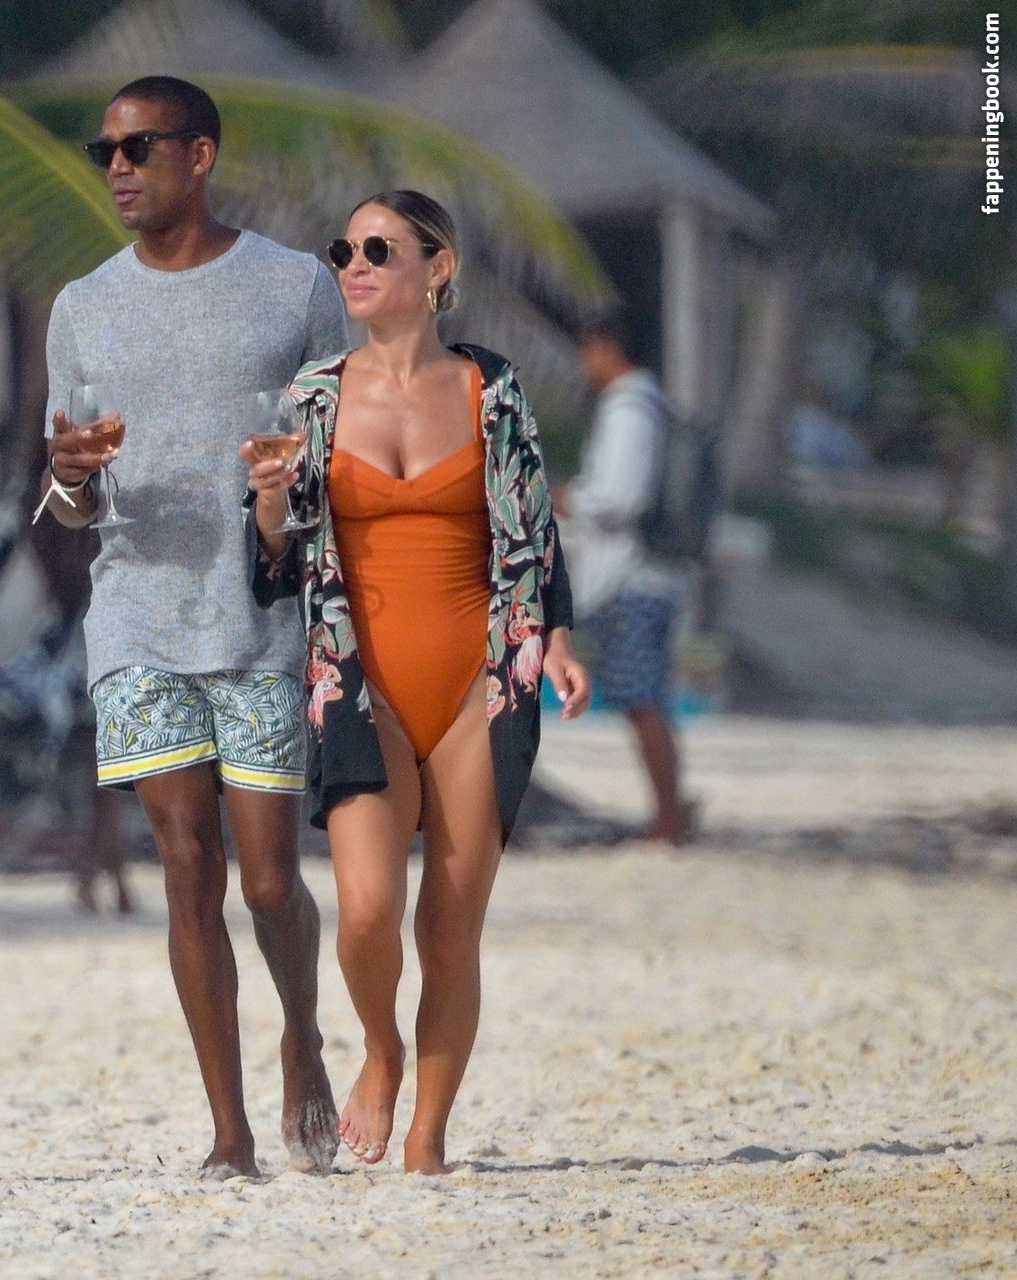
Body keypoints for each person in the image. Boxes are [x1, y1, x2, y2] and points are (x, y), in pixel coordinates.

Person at [243, 191, 591, 1175]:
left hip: (485, 683)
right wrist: (267, 503)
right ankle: (382, 1049)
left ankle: (429, 1137)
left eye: (377, 249)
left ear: (438, 268)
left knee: (448, 925)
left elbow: (536, 538)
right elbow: (272, 564)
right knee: (365, 912)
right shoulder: (311, 397)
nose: (353, 266)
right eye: (343, 250)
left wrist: (560, 642)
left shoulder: (493, 388)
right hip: (360, 688)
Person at [41, 76, 346, 1179]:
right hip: (135, 613)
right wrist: (72, 475)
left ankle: (303, 1040)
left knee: (268, 880)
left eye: (140, 148)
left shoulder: (296, 285)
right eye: (105, 153)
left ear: (201, 154)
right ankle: (230, 1129)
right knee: (185, 864)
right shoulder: (82, 304)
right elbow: (68, 502)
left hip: (260, 613)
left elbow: (340, 458)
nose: (118, 169)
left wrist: (287, 501)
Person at [557, 311, 692, 844]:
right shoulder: (651, 404)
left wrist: (568, 499)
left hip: (630, 575)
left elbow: (620, 497)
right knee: (646, 697)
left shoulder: (629, 407)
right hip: (650, 572)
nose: (584, 362)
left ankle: (668, 822)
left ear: (609, 348)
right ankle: (671, 811)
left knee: (641, 699)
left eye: (588, 349)